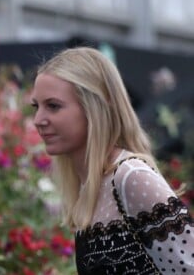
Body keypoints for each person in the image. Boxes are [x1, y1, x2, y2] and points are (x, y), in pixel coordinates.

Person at [30, 47, 194, 274]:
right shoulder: (89, 186)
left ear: (95, 106)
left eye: (53, 106)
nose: (38, 120)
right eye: (35, 107)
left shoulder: (130, 177)